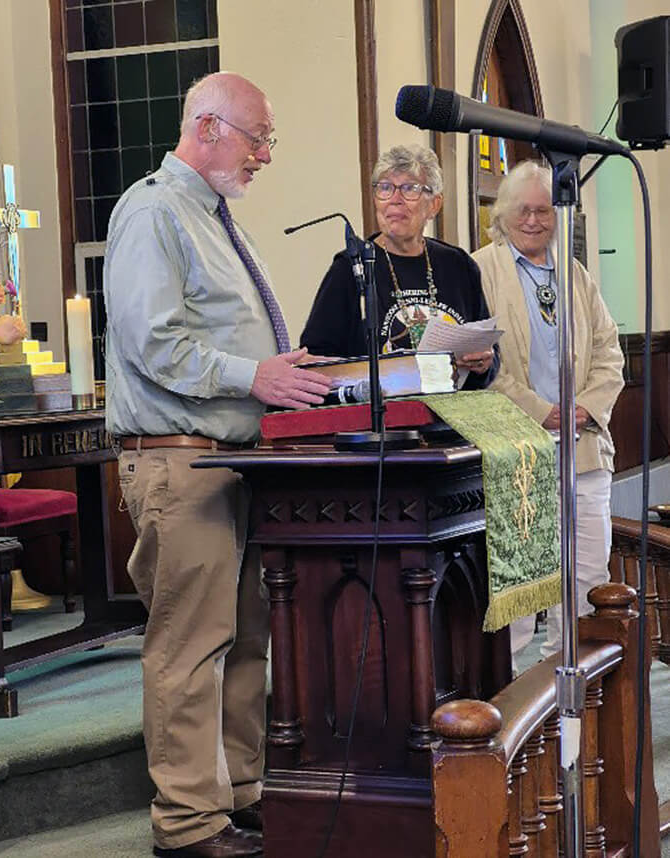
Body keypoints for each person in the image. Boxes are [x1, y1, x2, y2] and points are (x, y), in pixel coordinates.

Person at [104, 72, 331, 858]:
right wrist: (254, 376)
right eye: (258, 138)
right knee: (190, 645)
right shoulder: (154, 210)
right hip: (180, 463)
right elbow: (152, 343)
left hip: (238, 462)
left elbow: (220, 340)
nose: (266, 155)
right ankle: (187, 824)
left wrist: (284, 369)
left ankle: (240, 794)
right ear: (207, 127)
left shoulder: (216, 218)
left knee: (245, 641)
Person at [472, 159, 625, 659]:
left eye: (544, 211)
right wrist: (540, 409)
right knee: (520, 596)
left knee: (584, 586)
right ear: (503, 215)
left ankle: (578, 723)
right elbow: (478, 363)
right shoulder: (479, 270)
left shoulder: (574, 273)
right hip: (517, 452)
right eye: (523, 211)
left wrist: (583, 408)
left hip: (582, 452)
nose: (534, 220)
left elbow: (609, 352)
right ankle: (518, 723)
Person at [300, 144, 497, 384]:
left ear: (434, 204)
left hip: (453, 414)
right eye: (385, 188)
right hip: (380, 415)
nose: (395, 200)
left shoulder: (458, 265)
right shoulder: (350, 268)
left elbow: (490, 358)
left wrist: (484, 363)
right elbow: (316, 359)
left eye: (409, 189)